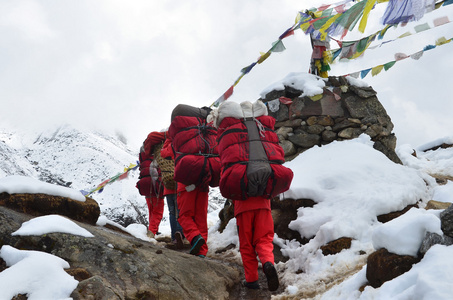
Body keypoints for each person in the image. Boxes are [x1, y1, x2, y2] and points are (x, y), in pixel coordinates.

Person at [212, 100, 293, 291]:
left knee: (247, 245)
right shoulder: (260, 131)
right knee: (264, 239)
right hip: (263, 199)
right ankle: (268, 263)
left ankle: (252, 280)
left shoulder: (232, 134)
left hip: (242, 204)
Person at [167, 104, 220, 257]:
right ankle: (202, 252)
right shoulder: (203, 135)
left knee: (184, 215)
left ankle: (195, 237)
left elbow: (169, 151)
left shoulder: (182, 137)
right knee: (201, 217)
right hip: (204, 174)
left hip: (187, 179)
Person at [136, 131, 166, 238]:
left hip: (144, 183)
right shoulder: (158, 151)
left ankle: (152, 229)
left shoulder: (143, 154)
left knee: (151, 209)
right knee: (158, 210)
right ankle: (152, 232)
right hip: (155, 183)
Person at [160, 135, 184, 249]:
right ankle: (180, 233)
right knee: (179, 211)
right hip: (178, 184)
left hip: (167, 187)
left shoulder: (162, 151)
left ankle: (173, 237)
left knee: (171, 212)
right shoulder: (178, 147)